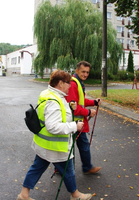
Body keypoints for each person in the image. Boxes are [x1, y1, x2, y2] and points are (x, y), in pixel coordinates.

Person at [17, 70, 93, 200]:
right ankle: (75, 195)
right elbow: (53, 126)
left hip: (44, 145)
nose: (70, 85)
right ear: (60, 83)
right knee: (68, 171)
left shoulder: (49, 94)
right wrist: (75, 126)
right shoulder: (54, 101)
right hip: (56, 146)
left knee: (37, 168)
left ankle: (24, 195)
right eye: (68, 83)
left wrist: (69, 106)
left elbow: (57, 115)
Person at [65, 61, 102, 174]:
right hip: (73, 123)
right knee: (75, 146)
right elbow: (74, 107)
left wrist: (94, 102)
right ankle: (86, 167)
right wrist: (88, 112)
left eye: (87, 72)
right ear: (76, 71)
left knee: (69, 146)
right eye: (83, 72)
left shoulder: (78, 83)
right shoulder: (73, 84)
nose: (85, 74)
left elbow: (81, 101)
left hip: (76, 122)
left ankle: (61, 168)